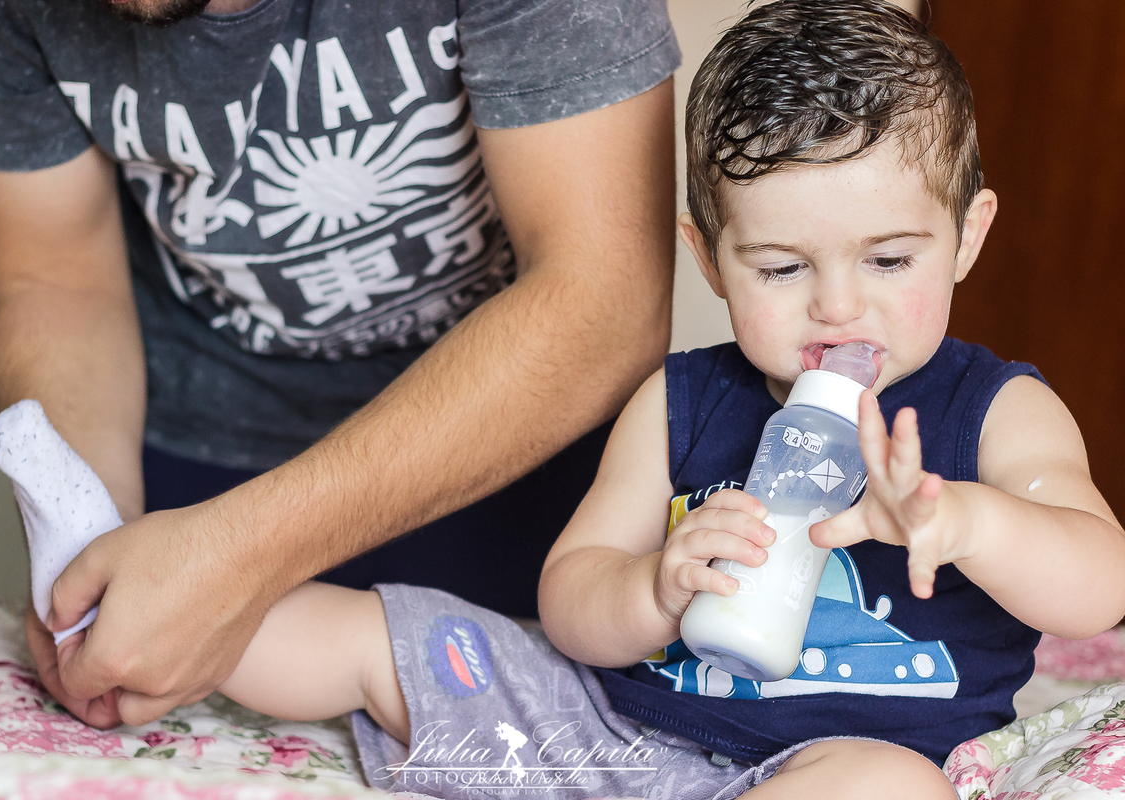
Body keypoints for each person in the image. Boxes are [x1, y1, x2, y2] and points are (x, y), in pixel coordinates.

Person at [204, 1, 1125, 797]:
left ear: (967, 238)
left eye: (889, 260)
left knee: (891, 790)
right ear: (709, 258)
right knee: (377, 632)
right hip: (615, 744)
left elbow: (1099, 582)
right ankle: (132, 625)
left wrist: (964, 522)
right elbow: (569, 594)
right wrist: (653, 586)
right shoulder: (680, 400)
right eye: (779, 267)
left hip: (841, 761)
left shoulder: (993, 409)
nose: (838, 305)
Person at [0, 0, 680, 728]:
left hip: (508, 455)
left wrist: (244, 554)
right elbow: (51, 281)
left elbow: (604, 301)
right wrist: (90, 543)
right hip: (191, 481)